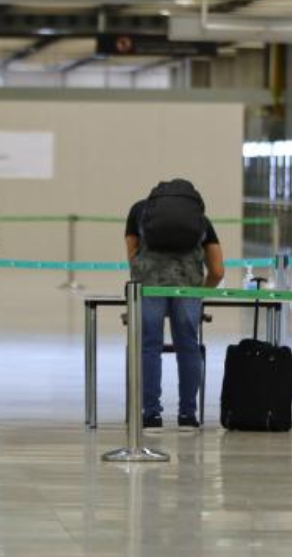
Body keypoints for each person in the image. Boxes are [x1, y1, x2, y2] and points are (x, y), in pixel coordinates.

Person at [125, 179, 225, 432]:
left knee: (149, 346)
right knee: (188, 347)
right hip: (188, 289)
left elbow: (132, 257)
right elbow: (217, 269)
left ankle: (150, 415)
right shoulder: (200, 220)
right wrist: (200, 293)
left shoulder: (139, 212)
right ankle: (188, 415)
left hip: (148, 288)